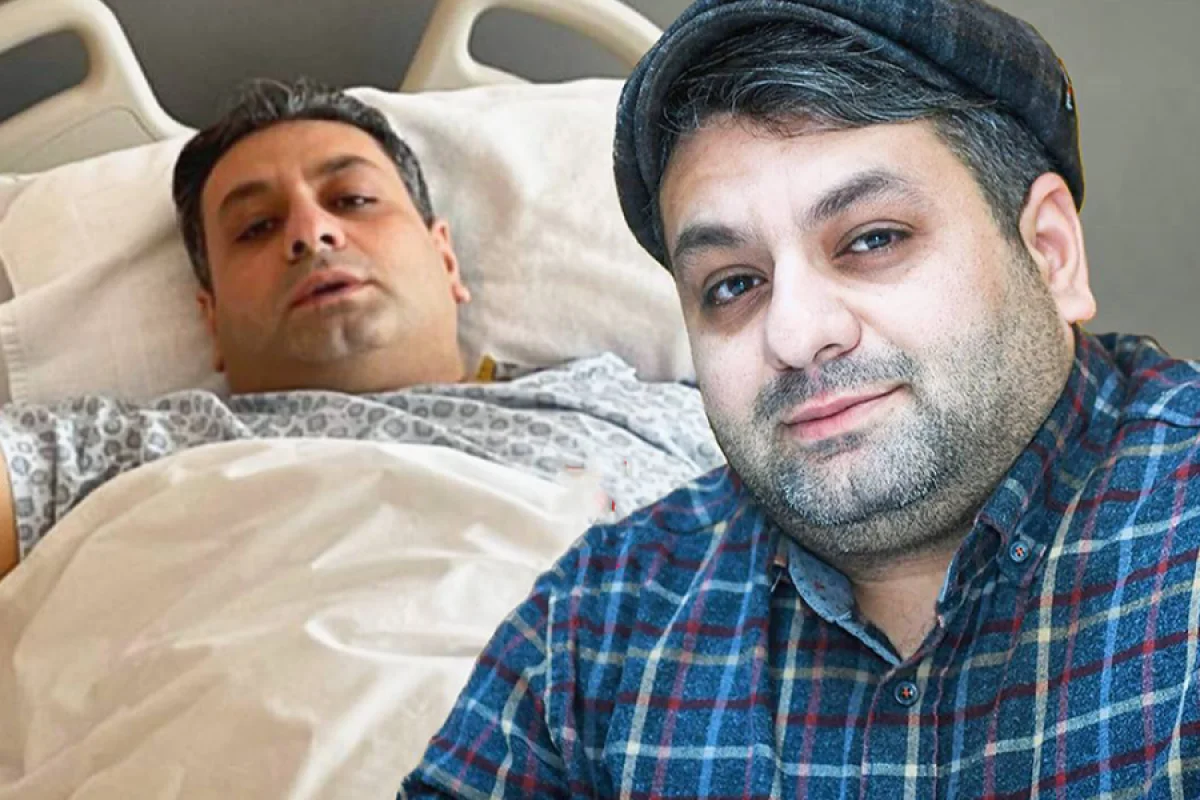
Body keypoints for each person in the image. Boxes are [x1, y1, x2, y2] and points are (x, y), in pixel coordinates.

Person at [399, 0, 1200, 797]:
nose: (794, 333)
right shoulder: (592, 629)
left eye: (872, 239)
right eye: (733, 284)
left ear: (1051, 254)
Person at [0, 78, 722, 580]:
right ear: (211, 319)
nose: (310, 233)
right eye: (256, 227)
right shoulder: (106, 455)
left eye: (352, 199)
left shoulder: (651, 413)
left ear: (445, 259)